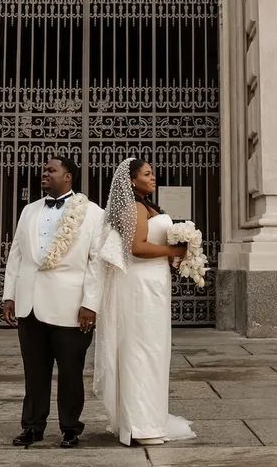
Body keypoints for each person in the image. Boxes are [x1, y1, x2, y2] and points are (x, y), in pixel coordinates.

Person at [1, 154, 105, 449]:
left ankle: (70, 428)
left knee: (71, 371)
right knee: (34, 371)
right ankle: (32, 426)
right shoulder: (29, 211)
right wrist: (10, 295)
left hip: (71, 307)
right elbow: (16, 255)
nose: (44, 173)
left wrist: (91, 303)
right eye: (44, 169)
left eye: (51, 170)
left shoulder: (94, 214)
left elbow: (96, 263)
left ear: (68, 176)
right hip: (29, 304)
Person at [93, 157, 196, 446]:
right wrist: (171, 250)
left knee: (155, 349)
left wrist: (180, 254)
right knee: (141, 349)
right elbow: (136, 247)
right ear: (131, 180)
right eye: (147, 174)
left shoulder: (150, 206)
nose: (153, 178)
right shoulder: (134, 207)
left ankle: (151, 416)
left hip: (155, 283)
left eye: (153, 173)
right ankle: (139, 424)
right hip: (139, 286)